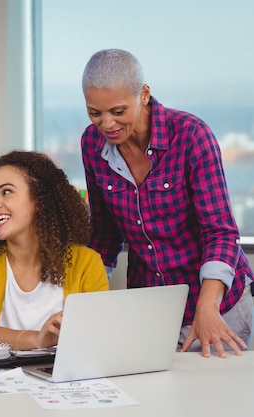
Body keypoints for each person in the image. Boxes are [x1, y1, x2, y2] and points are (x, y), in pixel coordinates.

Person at [81, 48, 253, 358]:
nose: (106, 124)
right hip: (150, 309)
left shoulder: (191, 135)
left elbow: (220, 233)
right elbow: (105, 236)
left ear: (144, 94)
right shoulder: (91, 144)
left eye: (118, 111)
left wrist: (207, 306)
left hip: (216, 305)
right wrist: (83, 304)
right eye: (95, 113)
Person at [0, 151, 108, 350]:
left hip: (63, 377)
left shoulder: (87, 263)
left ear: (39, 199)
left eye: (6, 192)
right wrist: (37, 340)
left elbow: (98, 336)